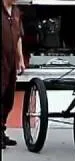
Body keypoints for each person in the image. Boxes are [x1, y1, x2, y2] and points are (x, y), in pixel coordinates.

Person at [1, 0, 26, 149]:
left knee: (8, 97)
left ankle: (2, 131)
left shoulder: (16, 11)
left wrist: (21, 59)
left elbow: (18, 38)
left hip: (10, 61)